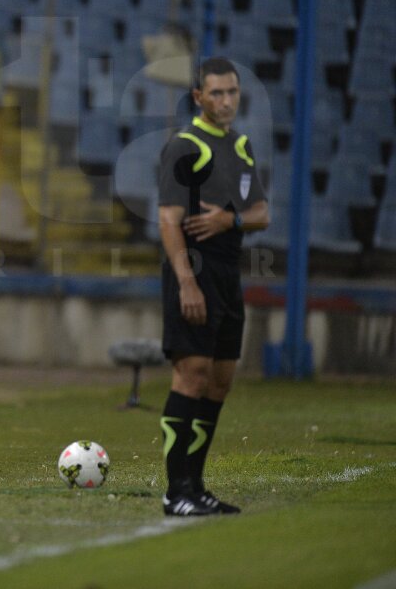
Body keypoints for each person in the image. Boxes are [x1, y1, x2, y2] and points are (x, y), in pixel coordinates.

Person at [156, 57, 269, 517]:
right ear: (198, 97)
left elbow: (262, 213)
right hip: (195, 267)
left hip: (228, 270)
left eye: (233, 92)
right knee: (192, 373)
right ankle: (175, 490)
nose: (226, 101)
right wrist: (186, 282)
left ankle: (197, 487)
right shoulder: (184, 146)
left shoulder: (240, 147)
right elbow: (168, 219)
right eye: (216, 93)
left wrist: (231, 218)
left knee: (220, 381)